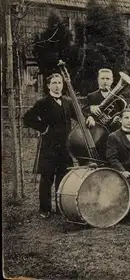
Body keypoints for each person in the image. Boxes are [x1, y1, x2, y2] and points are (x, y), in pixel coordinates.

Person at [23, 73, 77, 218]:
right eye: (54, 83)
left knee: (63, 176)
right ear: (48, 86)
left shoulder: (67, 101)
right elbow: (27, 118)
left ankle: (60, 207)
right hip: (49, 146)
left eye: (60, 82)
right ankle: (45, 209)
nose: (58, 85)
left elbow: (78, 116)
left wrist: (88, 118)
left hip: (65, 146)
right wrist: (42, 128)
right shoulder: (43, 102)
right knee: (47, 178)